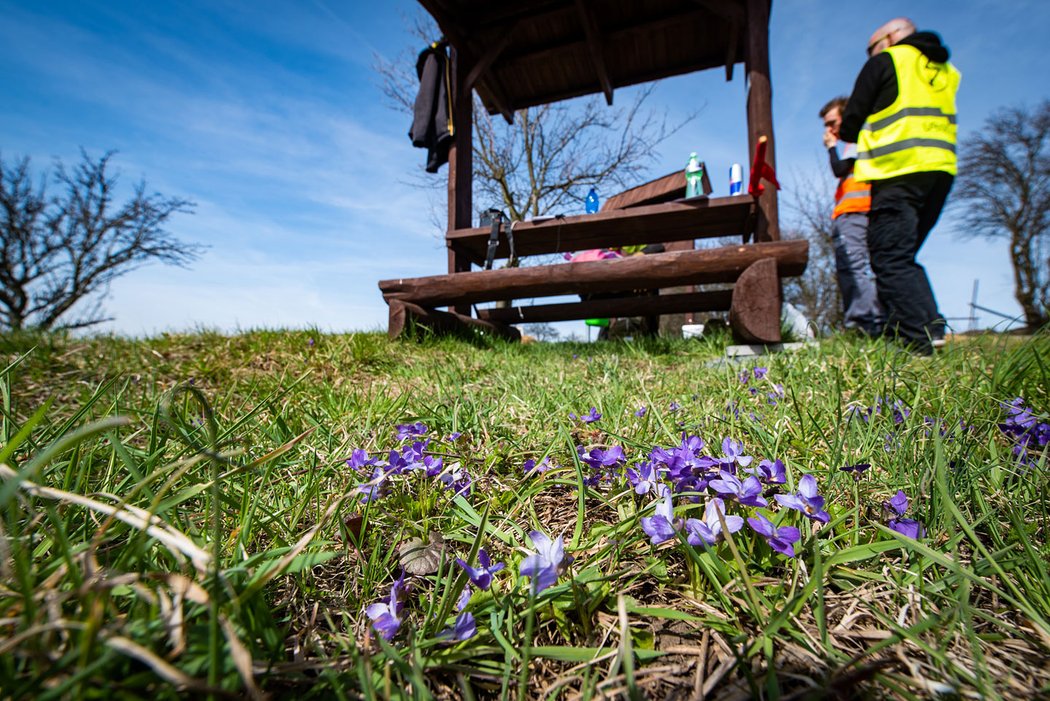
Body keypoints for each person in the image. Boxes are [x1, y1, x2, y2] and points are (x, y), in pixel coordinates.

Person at [839, 18, 961, 354]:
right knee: (904, 257)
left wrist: (848, 134)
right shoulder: (945, 70)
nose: (870, 54)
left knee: (889, 258)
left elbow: (852, 119)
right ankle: (933, 327)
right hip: (941, 171)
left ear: (889, 38)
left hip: (898, 171)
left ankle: (915, 343)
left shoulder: (887, 60)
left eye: (871, 47)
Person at [820, 96, 885, 337]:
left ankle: (865, 324)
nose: (829, 130)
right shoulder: (859, 141)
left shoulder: (859, 138)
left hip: (855, 211)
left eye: (832, 122)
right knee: (874, 266)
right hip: (862, 209)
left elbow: (839, 169)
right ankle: (876, 321)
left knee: (852, 267)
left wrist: (830, 148)